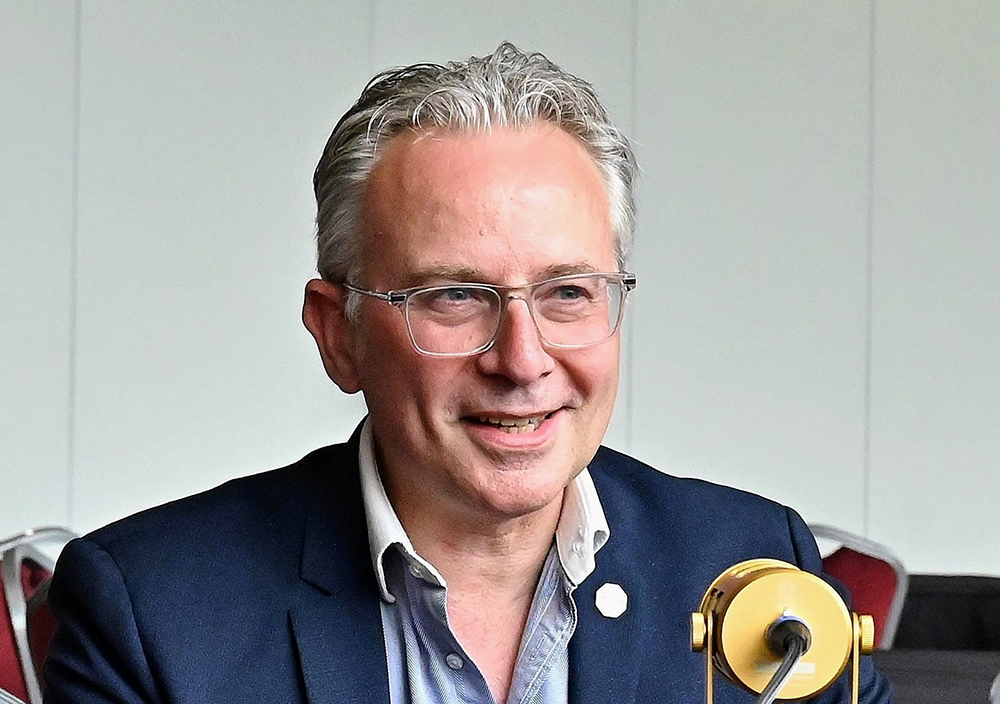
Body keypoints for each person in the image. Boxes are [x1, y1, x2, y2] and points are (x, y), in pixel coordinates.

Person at [44, 43, 891, 704]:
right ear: (338, 335)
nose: (522, 360)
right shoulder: (154, 614)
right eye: (454, 297)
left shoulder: (750, 568)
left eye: (567, 292)